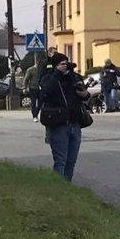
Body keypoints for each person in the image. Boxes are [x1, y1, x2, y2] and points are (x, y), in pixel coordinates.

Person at [38, 51, 87, 182]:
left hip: (75, 123)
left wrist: (84, 94)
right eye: (62, 64)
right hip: (58, 125)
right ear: (55, 66)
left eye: (66, 63)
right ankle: (59, 187)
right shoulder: (49, 78)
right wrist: (57, 74)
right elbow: (45, 93)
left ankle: (67, 185)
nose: (65, 66)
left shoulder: (73, 77)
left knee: (71, 160)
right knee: (61, 160)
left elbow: (84, 93)